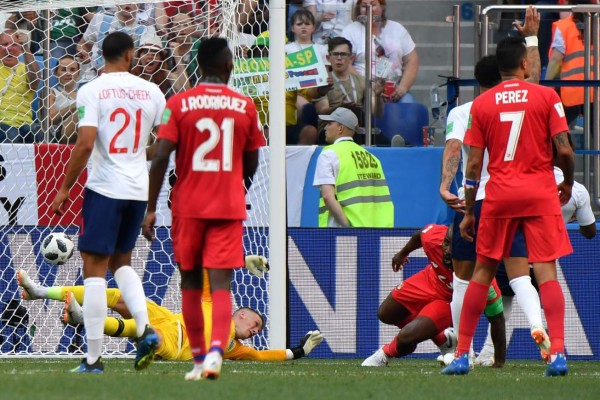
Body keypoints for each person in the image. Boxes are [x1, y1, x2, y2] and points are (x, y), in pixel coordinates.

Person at [441, 35, 575, 377]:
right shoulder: (546, 96)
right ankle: (557, 352)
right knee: (545, 271)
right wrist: (568, 182)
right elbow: (565, 151)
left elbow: (472, 166)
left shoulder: (481, 107)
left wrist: (470, 210)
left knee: (482, 273)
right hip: (540, 192)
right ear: (525, 64)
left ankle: (461, 356)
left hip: (498, 195)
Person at [141, 37, 266, 381]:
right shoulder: (245, 106)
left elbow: (161, 157)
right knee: (222, 285)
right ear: (228, 66)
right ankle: (214, 353)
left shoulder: (179, 103)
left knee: (192, 286)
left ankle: (198, 360)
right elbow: (252, 161)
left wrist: (151, 209)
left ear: (198, 66)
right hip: (227, 206)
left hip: (188, 206)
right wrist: (238, 189)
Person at [51, 31, 166, 374]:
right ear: (130, 54)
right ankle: (145, 330)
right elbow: (164, 145)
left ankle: (93, 359)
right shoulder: (153, 91)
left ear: (103, 55)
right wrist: (134, 155)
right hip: (137, 190)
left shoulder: (91, 90)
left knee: (95, 270)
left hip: (105, 188)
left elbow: (85, 144)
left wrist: (64, 188)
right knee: (122, 263)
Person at [17, 260, 325, 363]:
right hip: (170, 317)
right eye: (255, 323)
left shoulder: (233, 347)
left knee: (146, 334)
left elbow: (263, 356)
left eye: (258, 329)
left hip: (176, 344)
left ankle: (86, 319)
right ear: (240, 314)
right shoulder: (215, 302)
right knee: (120, 294)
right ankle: (40, 292)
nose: (256, 331)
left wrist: (298, 351)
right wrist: (241, 260)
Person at [475, 134, 596, 366]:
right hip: (543, 256)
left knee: (503, 304)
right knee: (550, 299)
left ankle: (485, 352)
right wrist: (564, 221)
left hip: (512, 253)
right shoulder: (577, 191)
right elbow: (589, 231)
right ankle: (555, 350)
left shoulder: (520, 179)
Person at [361, 224, 506, 368]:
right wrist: (402, 253)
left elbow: (498, 319)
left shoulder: (483, 278)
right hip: (429, 280)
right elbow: (420, 235)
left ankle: (384, 354)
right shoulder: (434, 239)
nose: (447, 251)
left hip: (448, 301)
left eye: (453, 247)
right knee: (385, 313)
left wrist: (499, 363)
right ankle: (444, 339)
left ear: (467, 251)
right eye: (446, 243)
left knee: (406, 338)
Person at [312, 107, 393, 227]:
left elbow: (327, 196)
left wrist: (348, 228)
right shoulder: (372, 158)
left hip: (342, 233)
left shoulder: (329, 154)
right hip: (377, 230)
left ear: (340, 128)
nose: (325, 127)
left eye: (329, 123)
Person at [300, 36, 385, 145]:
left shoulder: (361, 80)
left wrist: (378, 96)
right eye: (335, 54)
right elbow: (323, 110)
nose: (339, 58)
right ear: (328, 57)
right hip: (330, 128)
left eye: (343, 54)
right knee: (352, 112)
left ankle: (395, 145)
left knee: (361, 116)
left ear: (351, 58)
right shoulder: (323, 81)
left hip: (357, 126)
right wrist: (342, 108)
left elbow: (377, 113)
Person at [342, 0, 418, 103]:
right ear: (359, 9)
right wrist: (367, 88)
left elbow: (412, 60)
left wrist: (403, 88)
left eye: (373, 5)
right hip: (363, 91)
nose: (369, 9)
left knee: (408, 103)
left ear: (382, 7)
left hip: (394, 90)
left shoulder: (397, 28)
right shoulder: (351, 31)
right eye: (364, 6)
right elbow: (346, 64)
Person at [77, 4, 157, 83]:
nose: (128, 3)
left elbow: (147, 60)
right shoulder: (100, 18)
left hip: (128, 81)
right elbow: (84, 45)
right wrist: (83, 54)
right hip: (94, 77)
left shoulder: (146, 29)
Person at [545, 0, 592, 127]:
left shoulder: (564, 27)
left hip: (572, 92)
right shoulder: (597, 23)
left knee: (558, 130)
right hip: (596, 93)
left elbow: (556, 60)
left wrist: (547, 87)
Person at [0, 29, 41, 143]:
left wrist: (26, 48)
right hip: (2, 123)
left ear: (19, 49)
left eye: (14, 44)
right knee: (11, 134)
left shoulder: (26, 68)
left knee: (38, 134)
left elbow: (35, 81)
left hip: (25, 124)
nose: (9, 48)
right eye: (4, 44)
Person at [49, 55, 80, 144]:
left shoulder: (82, 95)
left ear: (78, 74)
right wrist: (75, 106)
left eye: (72, 70)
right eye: (63, 69)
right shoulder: (50, 92)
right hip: (59, 134)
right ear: (55, 73)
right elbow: (50, 120)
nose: (68, 73)